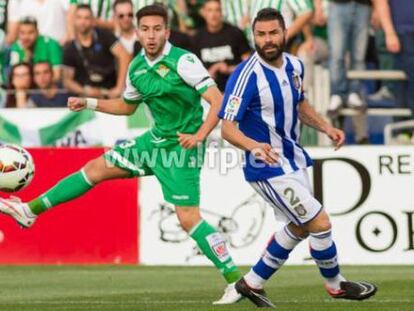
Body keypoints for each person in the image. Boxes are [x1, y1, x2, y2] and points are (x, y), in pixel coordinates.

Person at [0, 4, 242, 305]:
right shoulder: (138, 67)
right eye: (146, 29)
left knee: (188, 218)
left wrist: (200, 135)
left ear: (167, 32)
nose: (151, 35)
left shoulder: (184, 61)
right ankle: (30, 210)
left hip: (180, 149)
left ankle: (236, 281)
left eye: (157, 29)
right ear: (137, 33)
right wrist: (89, 102)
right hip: (151, 143)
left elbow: (218, 101)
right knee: (95, 168)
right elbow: (127, 106)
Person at [218, 8, 377, 307]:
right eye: (261, 34)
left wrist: (326, 127)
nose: (267, 40)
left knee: (301, 227)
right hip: (265, 168)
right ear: (253, 36)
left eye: (273, 33)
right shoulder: (245, 75)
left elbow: (300, 103)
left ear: (285, 33)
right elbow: (227, 128)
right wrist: (253, 146)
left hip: (293, 160)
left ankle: (251, 283)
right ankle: (336, 285)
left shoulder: (294, 66)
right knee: (319, 222)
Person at [62, 4, 130, 98]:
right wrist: (85, 91)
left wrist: (119, 87)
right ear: (74, 21)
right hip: (84, 99)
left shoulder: (104, 35)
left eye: (86, 18)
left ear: (93, 21)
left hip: (110, 95)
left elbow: (125, 56)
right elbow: (67, 81)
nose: (83, 22)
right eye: (79, 18)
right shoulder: (70, 48)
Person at [192, 0, 251, 91]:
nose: (213, 14)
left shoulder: (235, 33)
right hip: (208, 91)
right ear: (204, 13)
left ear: (222, 12)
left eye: (217, 10)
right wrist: (207, 74)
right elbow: (193, 70)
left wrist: (229, 69)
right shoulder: (197, 38)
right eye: (210, 10)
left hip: (236, 87)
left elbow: (249, 65)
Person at [374, 0, 414, 117]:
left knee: (405, 84)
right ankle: (403, 129)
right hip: (403, 32)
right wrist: (390, 33)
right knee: (406, 82)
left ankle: (403, 130)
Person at [8, 17, 63, 81]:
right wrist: (26, 58)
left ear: (37, 32)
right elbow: (15, 78)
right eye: (22, 33)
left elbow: (57, 76)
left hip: (48, 86)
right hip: (28, 86)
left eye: (30, 32)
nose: (26, 37)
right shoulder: (16, 47)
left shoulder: (51, 44)